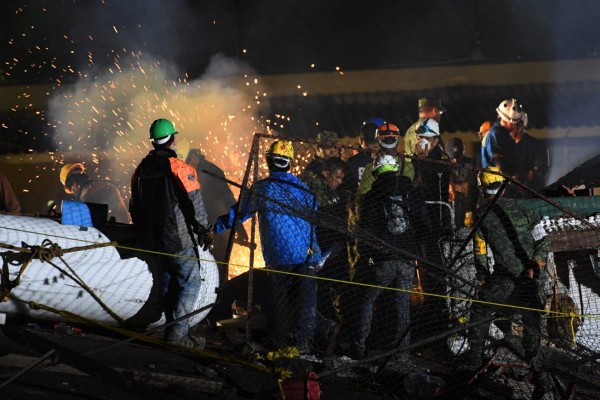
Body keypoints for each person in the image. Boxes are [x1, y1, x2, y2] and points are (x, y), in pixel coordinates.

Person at [214, 140, 322, 353]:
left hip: (280, 255)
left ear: (268, 161)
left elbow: (239, 215)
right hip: (307, 254)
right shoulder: (304, 189)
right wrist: (315, 253)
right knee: (305, 303)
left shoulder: (263, 189)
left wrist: (214, 227)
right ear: (289, 163)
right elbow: (314, 217)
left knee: (280, 302)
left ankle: (280, 343)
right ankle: (303, 346)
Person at [129, 118, 214, 348]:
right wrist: (205, 231)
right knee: (190, 281)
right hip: (178, 239)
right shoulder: (178, 166)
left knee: (168, 281)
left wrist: (145, 232)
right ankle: (177, 335)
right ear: (172, 139)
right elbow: (194, 204)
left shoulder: (141, 170)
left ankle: (166, 328)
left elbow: (134, 206)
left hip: (153, 240)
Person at [463, 167, 550, 374]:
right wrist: (537, 263)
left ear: (482, 190)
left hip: (504, 280)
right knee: (532, 316)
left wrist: (483, 278)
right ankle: (533, 359)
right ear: (503, 187)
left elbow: (480, 252)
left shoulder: (480, 216)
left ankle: (474, 358)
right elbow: (544, 240)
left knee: (481, 309)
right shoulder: (525, 210)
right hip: (531, 279)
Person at [350, 155, 416, 363]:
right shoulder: (410, 192)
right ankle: (403, 354)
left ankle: (359, 346)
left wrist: (366, 256)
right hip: (407, 258)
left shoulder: (372, 195)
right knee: (403, 304)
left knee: (368, 298)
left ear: (377, 172)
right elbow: (420, 222)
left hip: (383, 259)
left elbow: (366, 229)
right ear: (397, 170)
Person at [356, 122, 414, 206]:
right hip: (403, 212)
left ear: (378, 142)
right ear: (397, 142)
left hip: (379, 213)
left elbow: (362, 196)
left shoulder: (370, 167)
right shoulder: (408, 166)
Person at [60, 163, 130, 224]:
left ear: (74, 184)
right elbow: (125, 218)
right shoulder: (108, 185)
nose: (73, 193)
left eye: (72, 190)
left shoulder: (84, 197)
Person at [339, 117, 384, 202]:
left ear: (361, 140)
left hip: (359, 204)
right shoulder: (389, 160)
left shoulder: (352, 162)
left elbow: (346, 188)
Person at [509, 112, 550, 194]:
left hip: (533, 196)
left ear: (520, 125)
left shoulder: (536, 145)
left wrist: (527, 175)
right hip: (512, 196)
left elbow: (540, 170)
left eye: (511, 125)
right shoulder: (507, 146)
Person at [481, 99, 523, 176]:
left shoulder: (501, 134)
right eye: (515, 124)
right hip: (498, 181)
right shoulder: (497, 134)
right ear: (510, 123)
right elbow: (500, 163)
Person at [446, 137, 478, 228]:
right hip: (449, 208)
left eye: (457, 158)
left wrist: (451, 185)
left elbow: (467, 187)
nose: (455, 161)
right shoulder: (443, 163)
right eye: (452, 158)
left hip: (466, 207)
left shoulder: (468, 164)